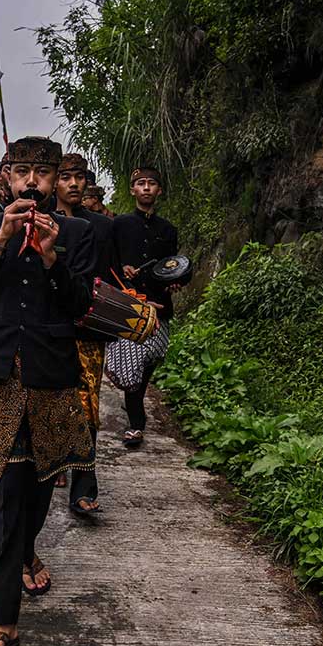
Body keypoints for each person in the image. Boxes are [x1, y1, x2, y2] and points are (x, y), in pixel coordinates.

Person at [0, 136, 96, 646]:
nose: (32, 182)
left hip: (52, 374)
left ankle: (28, 549)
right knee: (6, 496)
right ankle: (4, 622)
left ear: (56, 179)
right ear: (7, 177)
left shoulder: (78, 232)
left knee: (40, 491)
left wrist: (51, 258)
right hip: (2, 376)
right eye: (22, 172)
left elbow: (80, 306)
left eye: (43, 173)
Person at [51, 153, 114, 516]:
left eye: (79, 177)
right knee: (50, 399)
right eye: (66, 177)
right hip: (47, 327)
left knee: (87, 404)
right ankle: (56, 461)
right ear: (54, 182)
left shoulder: (102, 226)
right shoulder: (38, 219)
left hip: (86, 327)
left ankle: (84, 485)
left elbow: (110, 275)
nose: (74, 184)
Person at [110, 167, 180, 447]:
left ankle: (135, 403)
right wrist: (121, 269)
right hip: (129, 307)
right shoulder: (119, 224)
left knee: (151, 359)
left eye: (151, 183)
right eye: (141, 183)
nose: (146, 188)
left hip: (159, 307)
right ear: (133, 190)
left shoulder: (168, 230)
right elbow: (108, 261)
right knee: (131, 367)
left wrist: (175, 282)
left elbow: (173, 267)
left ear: (159, 190)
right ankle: (136, 425)